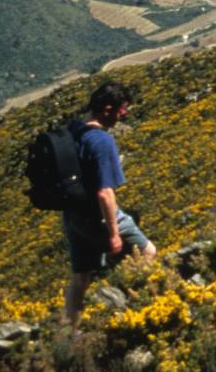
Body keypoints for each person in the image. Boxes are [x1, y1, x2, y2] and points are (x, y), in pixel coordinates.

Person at [62, 81, 156, 326]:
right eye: (122, 111)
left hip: (73, 215)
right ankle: (139, 309)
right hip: (98, 215)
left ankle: (68, 332)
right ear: (107, 109)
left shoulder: (73, 130)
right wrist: (114, 233)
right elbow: (105, 193)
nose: (123, 116)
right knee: (147, 252)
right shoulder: (102, 142)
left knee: (80, 277)